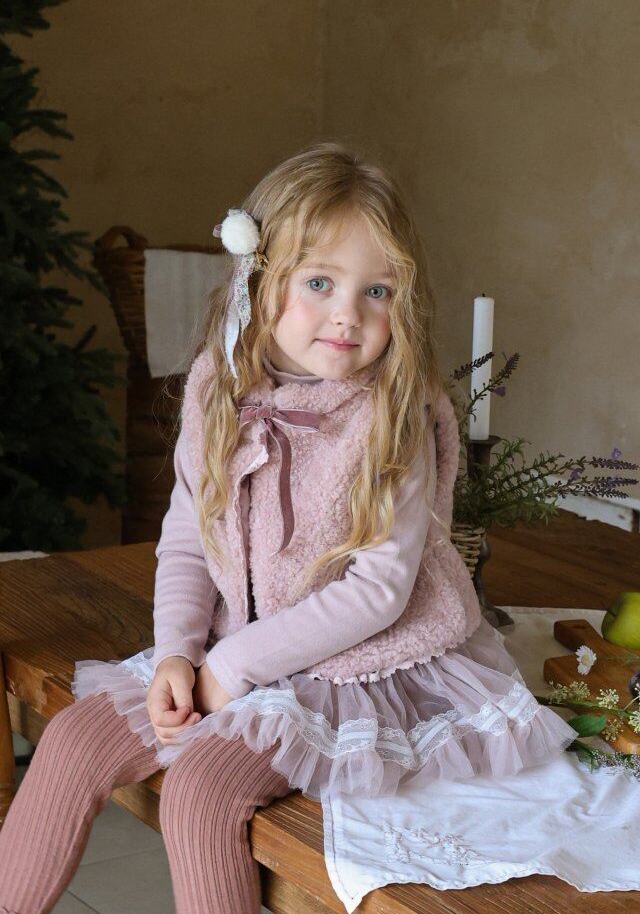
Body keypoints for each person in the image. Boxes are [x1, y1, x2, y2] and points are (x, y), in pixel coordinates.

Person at [0, 141, 578, 913]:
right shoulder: (218, 387)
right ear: (258, 280)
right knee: (72, 741)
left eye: (378, 290)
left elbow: (378, 593)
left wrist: (232, 667)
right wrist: (176, 651)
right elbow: (188, 539)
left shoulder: (392, 414)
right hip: (237, 645)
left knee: (201, 791)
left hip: (358, 661)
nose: (348, 313)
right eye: (319, 282)